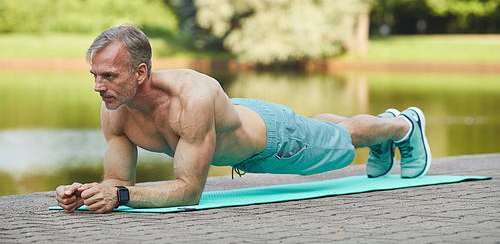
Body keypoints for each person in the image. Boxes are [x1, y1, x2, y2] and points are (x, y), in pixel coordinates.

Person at [55, 25, 432, 214]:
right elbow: (117, 181)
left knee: (339, 141)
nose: (99, 87)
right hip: (242, 121)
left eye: (109, 76)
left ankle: (403, 126)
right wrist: (88, 195)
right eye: (95, 76)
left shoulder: (191, 99)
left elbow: (189, 192)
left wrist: (121, 196)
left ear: (139, 73)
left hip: (276, 143)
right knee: (324, 129)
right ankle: (384, 135)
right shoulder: (115, 109)